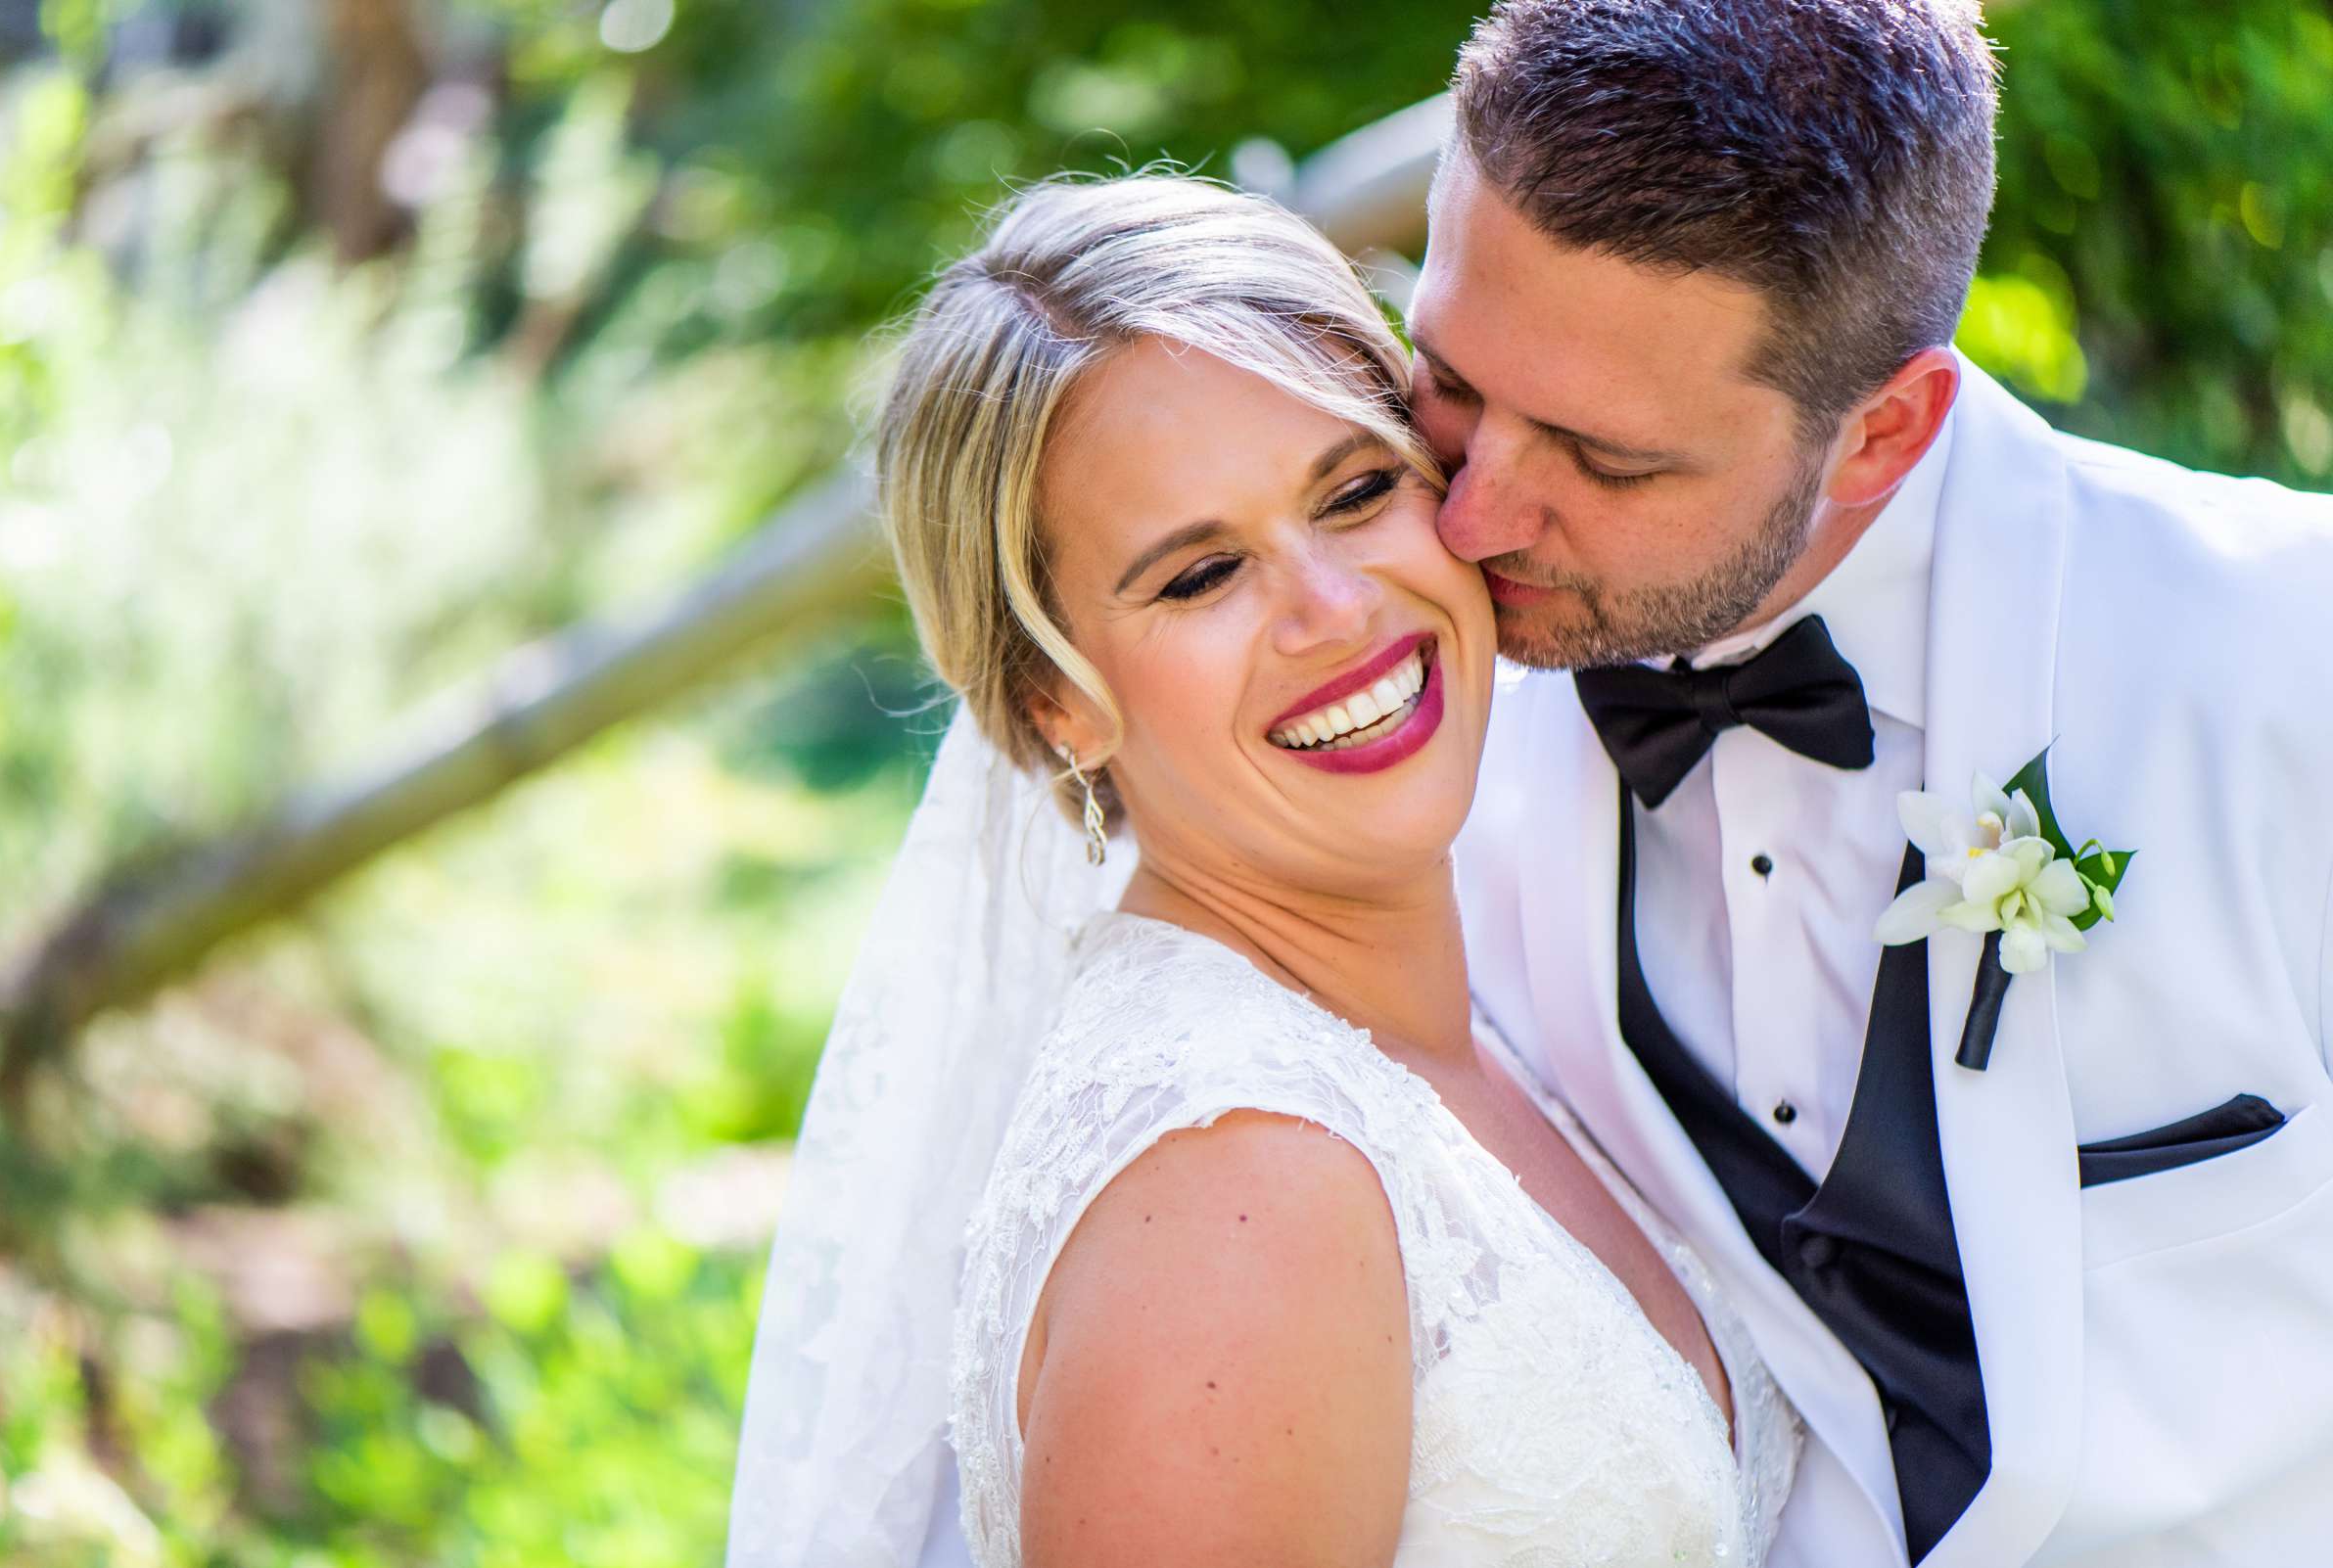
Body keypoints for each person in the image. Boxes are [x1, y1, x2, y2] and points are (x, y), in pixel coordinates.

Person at [733, 172, 1800, 1568]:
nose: (1334, 611)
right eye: (1198, 576)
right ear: (1058, 701)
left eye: (1356, 490)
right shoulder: (1231, 1191)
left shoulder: (1449, 1028)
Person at [1427, 4, 2333, 1566]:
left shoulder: (2287, 663)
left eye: (1606, 457)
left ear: (1885, 431)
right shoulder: (1385, 726)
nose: (1469, 516)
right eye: (1448, 380)